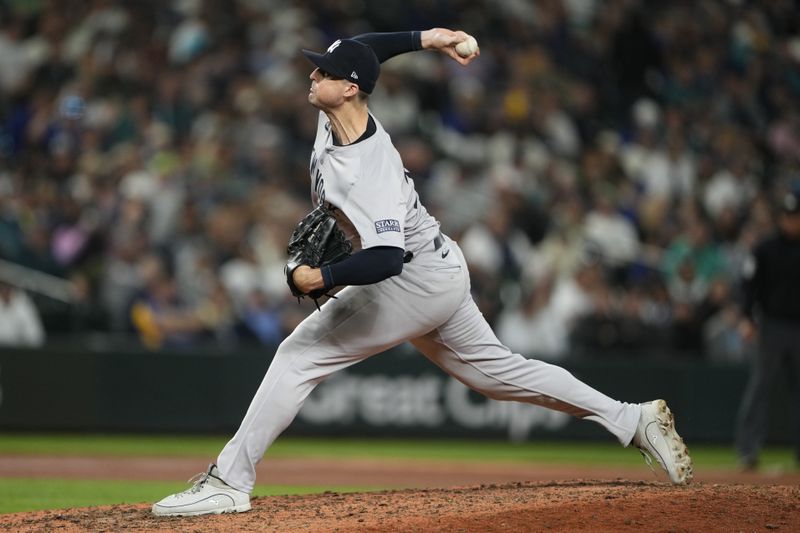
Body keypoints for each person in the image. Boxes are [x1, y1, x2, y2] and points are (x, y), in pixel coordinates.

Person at [152, 28, 693, 517]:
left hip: (412, 277)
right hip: (438, 264)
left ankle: (230, 481)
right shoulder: (335, 108)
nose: (313, 75)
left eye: (324, 72)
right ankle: (631, 418)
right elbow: (366, 48)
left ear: (350, 89)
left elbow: (385, 258)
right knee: (498, 373)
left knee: (300, 354)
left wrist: (315, 279)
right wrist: (431, 38)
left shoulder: (370, 168)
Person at [735, 189, 800, 470]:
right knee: (759, 388)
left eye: (795, 216)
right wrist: (747, 317)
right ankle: (748, 450)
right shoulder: (765, 248)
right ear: (780, 218)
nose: (791, 221)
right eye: (787, 216)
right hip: (772, 327)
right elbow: (749, 286)